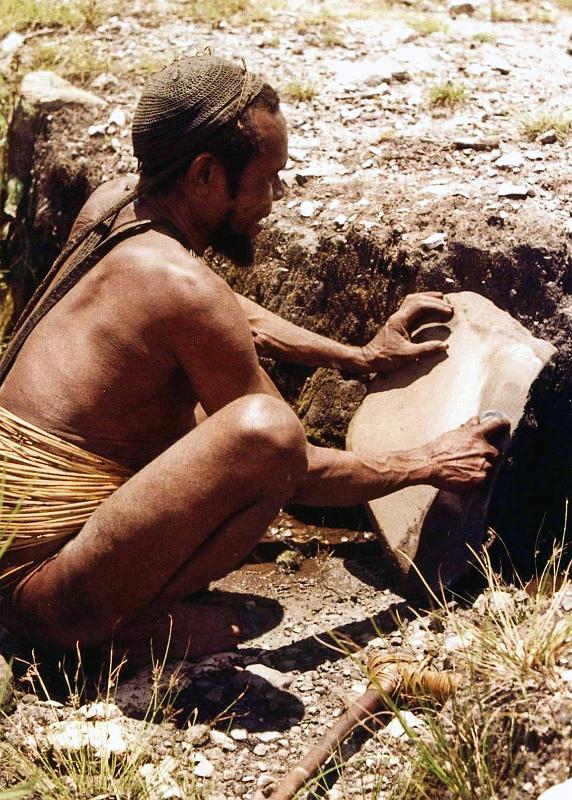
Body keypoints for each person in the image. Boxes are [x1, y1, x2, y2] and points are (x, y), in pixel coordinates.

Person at [0, 55, 507, 661]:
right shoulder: (184, 290)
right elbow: (292, 464)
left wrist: (357, 357)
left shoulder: (115, 209)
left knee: (198, 422)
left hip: (17, 546)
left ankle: (105, 611)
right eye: (267, 178)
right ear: (206, 175)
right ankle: (103, 637)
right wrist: (425, 461)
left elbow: (231, 310)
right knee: (265, 431)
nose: (275, 197)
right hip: (38, 598)